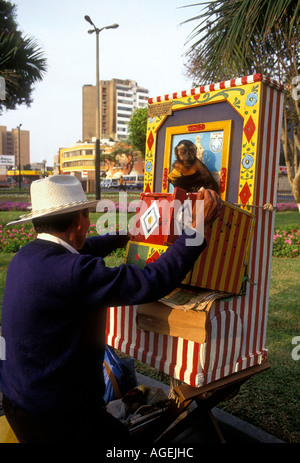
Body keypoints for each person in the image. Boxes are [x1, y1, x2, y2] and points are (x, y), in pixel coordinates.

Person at [0, 175, 221, 444]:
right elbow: (151, 282)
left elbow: (83, 248)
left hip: (18, 400)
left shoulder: (26, 256)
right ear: (81, 219)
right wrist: (197, 229)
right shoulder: (72, 272)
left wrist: (129, 233)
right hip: (54, 417)